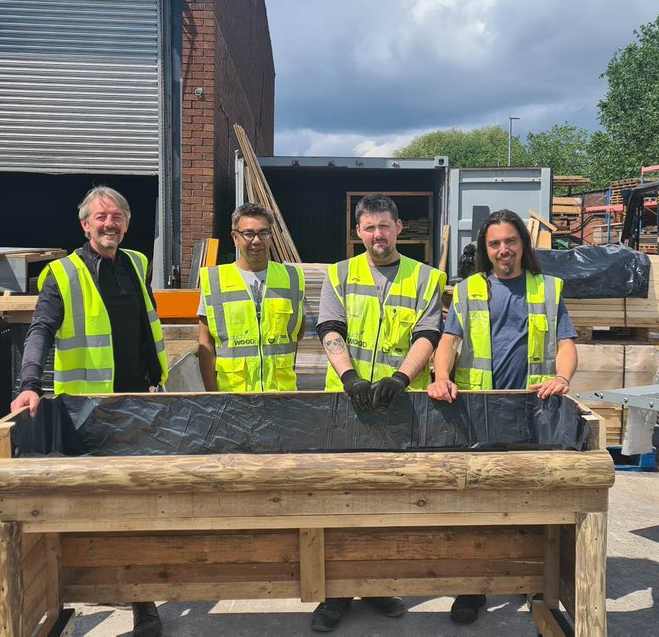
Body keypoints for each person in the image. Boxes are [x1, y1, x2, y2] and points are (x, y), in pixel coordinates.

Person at [10, 184, 168, 637]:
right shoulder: (63, 274)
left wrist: (159, 379)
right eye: (100, 217)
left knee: (138, 504)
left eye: (116, 216)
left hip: (136, 402)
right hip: (86, 409)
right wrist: (29, 385)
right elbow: (39, 331)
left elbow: (146, 326)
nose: (109, 224)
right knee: (93, 505)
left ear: (127, 223)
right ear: (84, 225)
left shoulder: (138, 264)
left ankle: (143, 600)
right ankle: (87, 585)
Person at [427, 208, 579, 625]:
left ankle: (535, 582)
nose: (503, 250)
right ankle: (472, 587)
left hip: (534, 414)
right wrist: (441, 377)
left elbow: (566, 343)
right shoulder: (469, 289)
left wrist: (562, 378)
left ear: (522, 245)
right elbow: (448, 341)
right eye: (494, 243)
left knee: (530, 502)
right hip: (480, 414)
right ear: (484, 249)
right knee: (476, 504)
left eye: (510, 241)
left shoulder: (547, 289)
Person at [311, 193, 447, 633]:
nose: (378, 235)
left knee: (392, 501)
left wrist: (402, 378)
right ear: (358, 233)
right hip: (346, 406)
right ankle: (333, 594)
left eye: (384, 226)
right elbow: (330, 329)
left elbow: (428, 332)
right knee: (339, 503)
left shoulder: (426, 278)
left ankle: (380, 584)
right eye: (369, 228)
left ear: (399, 228)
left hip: (400, 406)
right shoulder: (339, 275)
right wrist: (349, 377)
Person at [196, 203, 305, 391]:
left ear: (271, 236)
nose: (256, 241)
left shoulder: (292, 278)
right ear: (235, 238)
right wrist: (212, 397)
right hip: (233, 396)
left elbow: (298, 333)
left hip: (281, 396)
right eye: (248, 233)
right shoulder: (215, 281)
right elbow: (205, 343)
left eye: (263, 233)